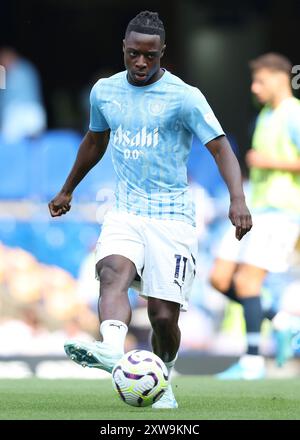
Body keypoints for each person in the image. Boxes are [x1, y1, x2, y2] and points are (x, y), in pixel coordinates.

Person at [48, 11, 252, 408]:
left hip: (172, 217)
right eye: (133, 55)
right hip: (125, 211)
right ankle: (110, 347)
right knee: (112, 271)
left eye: (150, 56)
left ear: (162, 53)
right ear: (123, 50)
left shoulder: (185, 96)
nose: (141, 63)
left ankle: (164, 373)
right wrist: (67, 189)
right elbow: (94, 141)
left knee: (162, 317)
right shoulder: (104, 92)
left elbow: (220, 146)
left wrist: (237, 199)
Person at [210, 53, 300, 379]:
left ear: (279, 78)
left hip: (282, 213)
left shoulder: (294, 115)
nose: (254, 87)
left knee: (248, 282)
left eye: (260, 80)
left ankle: (252, 362)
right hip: (254, 210)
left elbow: (271, 161)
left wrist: (267, 161)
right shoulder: (264, 115)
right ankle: (281, 321)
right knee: (219, 278)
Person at [0, 47, 46, 142]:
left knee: (34, 142)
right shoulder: (4, 72)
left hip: (29, 111)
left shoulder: (25, 69)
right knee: (8, 142)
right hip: (13, 113)